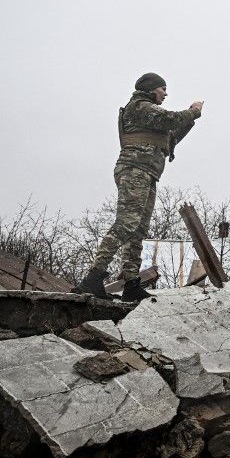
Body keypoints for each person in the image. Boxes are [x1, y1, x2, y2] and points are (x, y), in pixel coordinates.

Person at [74, 72, 203, 301]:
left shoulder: (150, 116)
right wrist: (192, 111)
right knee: (126, 224)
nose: (166, 93)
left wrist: (190, 120)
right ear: (151, 89)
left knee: (138, 230)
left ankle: (131, 283)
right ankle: (93, 277)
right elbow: (171, 119)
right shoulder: (140, 106)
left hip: (147, 173)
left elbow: (170, 138)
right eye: (163, 89)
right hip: (135, 170)